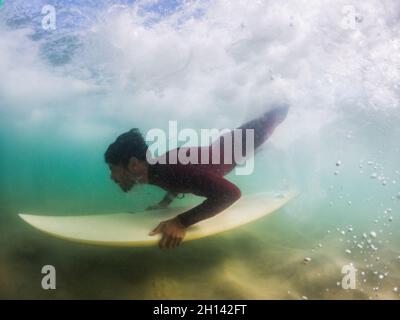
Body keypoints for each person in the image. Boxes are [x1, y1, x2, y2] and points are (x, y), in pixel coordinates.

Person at [104, 105, 289, 249]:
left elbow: (230, 194)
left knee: (277, 114)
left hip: (242, 141)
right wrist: (164, 204)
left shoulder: (168, 168)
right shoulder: (157, 169)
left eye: (113, 168)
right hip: (230, 147)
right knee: (264, 128)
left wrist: (181, 222)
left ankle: (284, 93)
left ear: (134, 164)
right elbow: (178, 183)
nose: (111, 177)